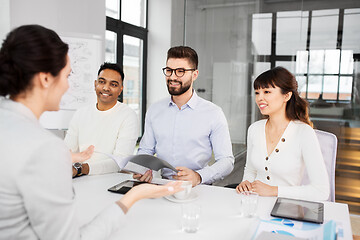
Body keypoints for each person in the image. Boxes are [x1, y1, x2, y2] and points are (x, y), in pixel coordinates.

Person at [0, 24, 182, 240]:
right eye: (67, 76)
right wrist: (133, 196)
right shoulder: (45, 147)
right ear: (46, 79)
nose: (68, 86)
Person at [134, 46, 234, 186]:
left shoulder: (213, 113)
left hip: (199, 189)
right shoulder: (154, 110)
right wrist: (142, 168)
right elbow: (146, 150)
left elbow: (226, 161)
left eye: (180, 71)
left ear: (194, 74)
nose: (172, 77)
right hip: (162, 186)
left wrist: (199, 176)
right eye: (169, 71)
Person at [236, 67, 330, 201]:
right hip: (252, 205)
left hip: (286, 210)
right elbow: (251, 170)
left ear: (287, 95)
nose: (259, 98)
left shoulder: (304, 132)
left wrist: (274, 191)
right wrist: (245, 182)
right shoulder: (254, 129)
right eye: (257, 93)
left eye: (267, 92)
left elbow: (321, 191)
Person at [64, 62, 139, 176]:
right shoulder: (81, 113)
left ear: (120, 89)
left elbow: (120, 162)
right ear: (95, 84)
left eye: (113, 84)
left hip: (109, 181)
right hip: (78, 178)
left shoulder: (128, 116)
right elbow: (67, 151)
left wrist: (81, 169)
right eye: (102, 82)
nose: (106, 88)